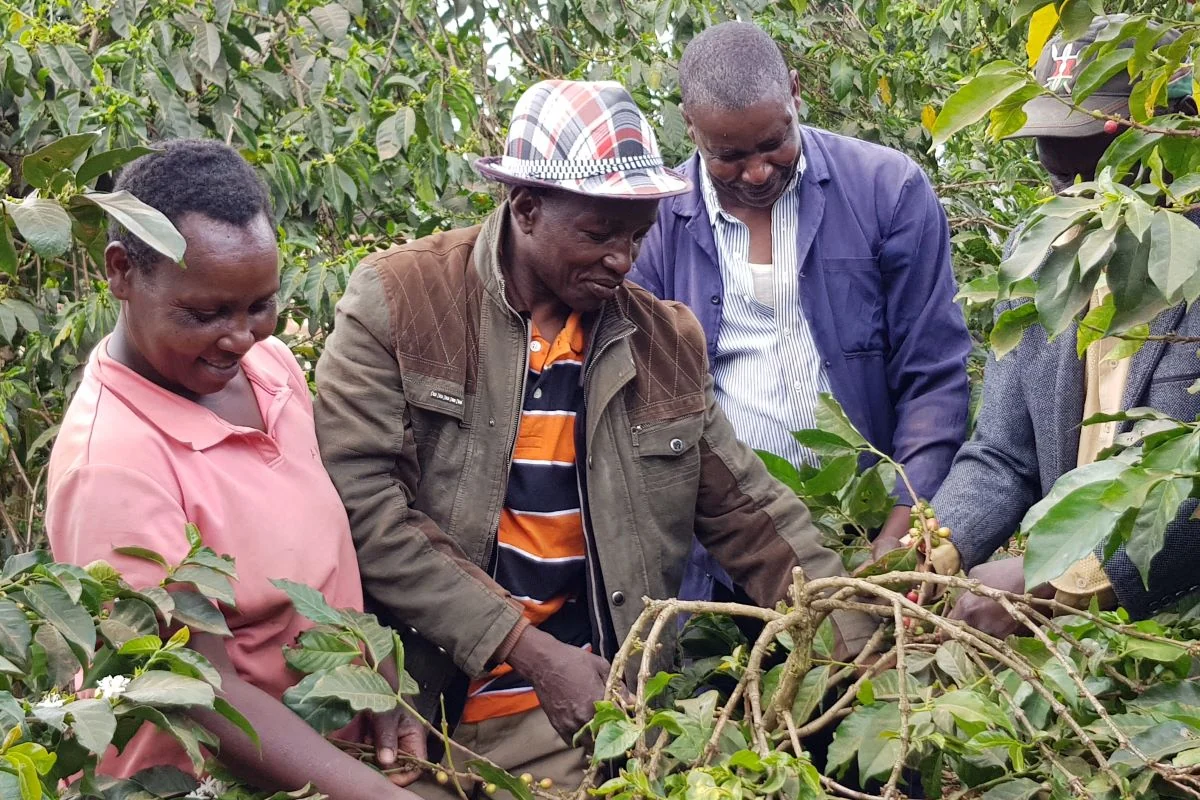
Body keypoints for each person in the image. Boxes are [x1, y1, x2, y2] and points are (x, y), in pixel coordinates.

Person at [313, 79, 876, 799]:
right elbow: (363, 506)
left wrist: (860, 642)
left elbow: (751, 516)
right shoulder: (402, 298)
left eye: (637, 236)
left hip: (588, 719)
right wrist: (530, 652)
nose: (623, 259)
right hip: (426, 705)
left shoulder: (661, 341)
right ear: (526, 208)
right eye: (599, 234)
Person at [45, 140, 424, 799]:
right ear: (121, 273)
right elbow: (198, 688)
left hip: (321, 763)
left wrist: (374, 678)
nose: (242, 337)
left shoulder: (266, 368)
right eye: (206, 313)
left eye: (259, 306)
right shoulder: (113, 463)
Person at [873, 16, 1200, 636]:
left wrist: (1059, 578)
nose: (1080, 202)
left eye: (1103, 175)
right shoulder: (1040, 254)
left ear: (1166, 135)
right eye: (1058, 180)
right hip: (1082, 655)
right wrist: (940, 549)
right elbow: (1004, 453)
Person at [629, 21, 972, 604]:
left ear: (794, 92)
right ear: (690, 125)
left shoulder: (887, 191)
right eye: (729, 156)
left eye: (773, 143)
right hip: (716, 558)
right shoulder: (656, 222)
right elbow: (651, 406)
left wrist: (899, 530)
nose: (757, 172)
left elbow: (933, 379)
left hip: (864, 534)